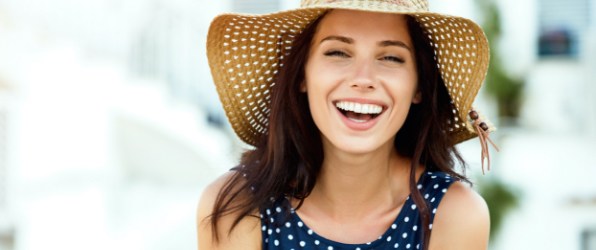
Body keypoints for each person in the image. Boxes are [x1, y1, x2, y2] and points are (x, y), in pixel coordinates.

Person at [197, 0, 496, 249]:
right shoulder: (237, 206)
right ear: (302, 74)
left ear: (418, 85)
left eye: (391, 57)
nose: (363, 79)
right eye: (338, 52)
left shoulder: (454, 214)